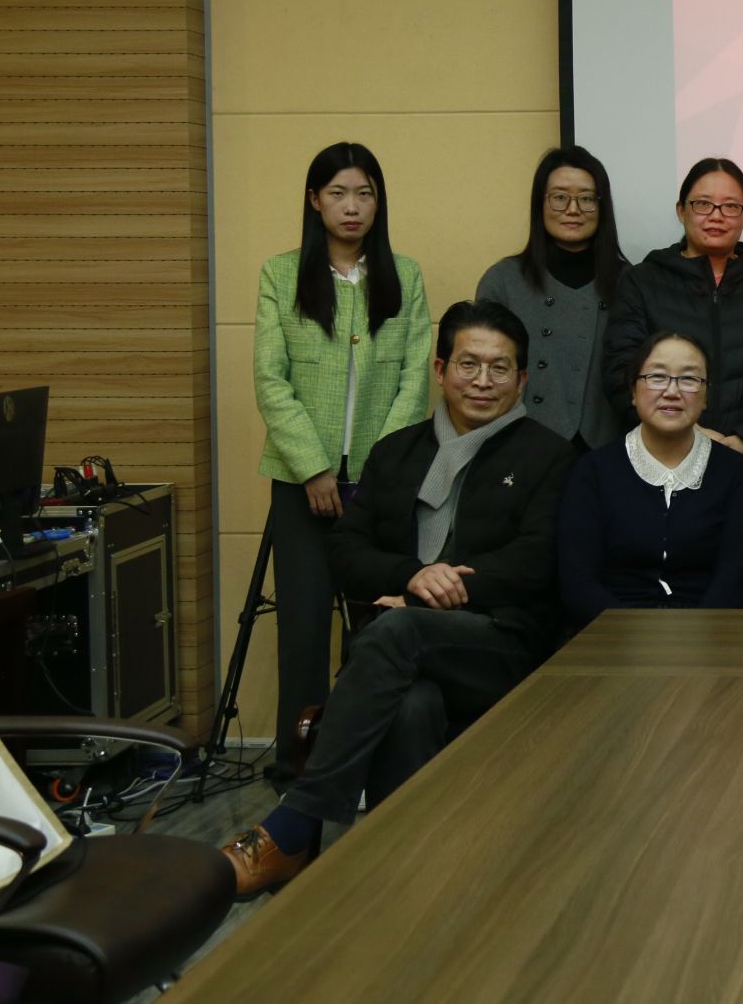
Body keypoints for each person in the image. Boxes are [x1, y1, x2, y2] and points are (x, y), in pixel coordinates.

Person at [222, 300, 577, 896]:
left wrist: (431, 597)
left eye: (499, 368)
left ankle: (296, 824)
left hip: (500, 645)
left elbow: (538, 562)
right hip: (401, 649)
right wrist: (412, 575)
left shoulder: (550, 455)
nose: (482, 381)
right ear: (440, 370)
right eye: (468, 364)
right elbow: (345, 551)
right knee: (411, 701)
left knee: (397, 630)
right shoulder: (396, 452)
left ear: (521, 380)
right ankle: (402, 869)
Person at [253, 141, 432, 783]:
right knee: (303, 628)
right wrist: (314, 467)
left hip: (380, 488)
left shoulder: (404, 275)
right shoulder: (281, 275)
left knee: (376, 625)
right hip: (301, 483)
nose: (351, 207)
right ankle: (298, 767)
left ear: (379, 203)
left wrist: (379, 474)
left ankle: (367, 762)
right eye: (337, 193)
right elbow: (270, 380)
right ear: (314, 201)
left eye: (364, 194)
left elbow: (416, 377)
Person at [558, 331, 743, 633]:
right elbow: (578, 582)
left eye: (689, 379)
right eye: (657, 377)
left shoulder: (736, 473)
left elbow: (736, 577)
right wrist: (632, 636)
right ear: (632, 390)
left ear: (706, 396)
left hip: (709, 635)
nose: (672, 391)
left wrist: (695, 636)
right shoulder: (592, 471)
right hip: (608, 634)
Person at [602, 157, 743, 470]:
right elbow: (622, 371)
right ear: (681, 211)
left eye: (731, 206)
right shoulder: (641, 282)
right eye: (703, 204)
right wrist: (688, 434)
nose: (716, 216)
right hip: (659, 458)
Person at [476, 146, 627, 449]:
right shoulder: (503, 281)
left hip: (607, 449)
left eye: (586, 199)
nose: (573, 209)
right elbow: (485, 374)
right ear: (540, 203)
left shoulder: (630, 282)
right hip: (521, 446)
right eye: (559, 197)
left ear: (602, 207)